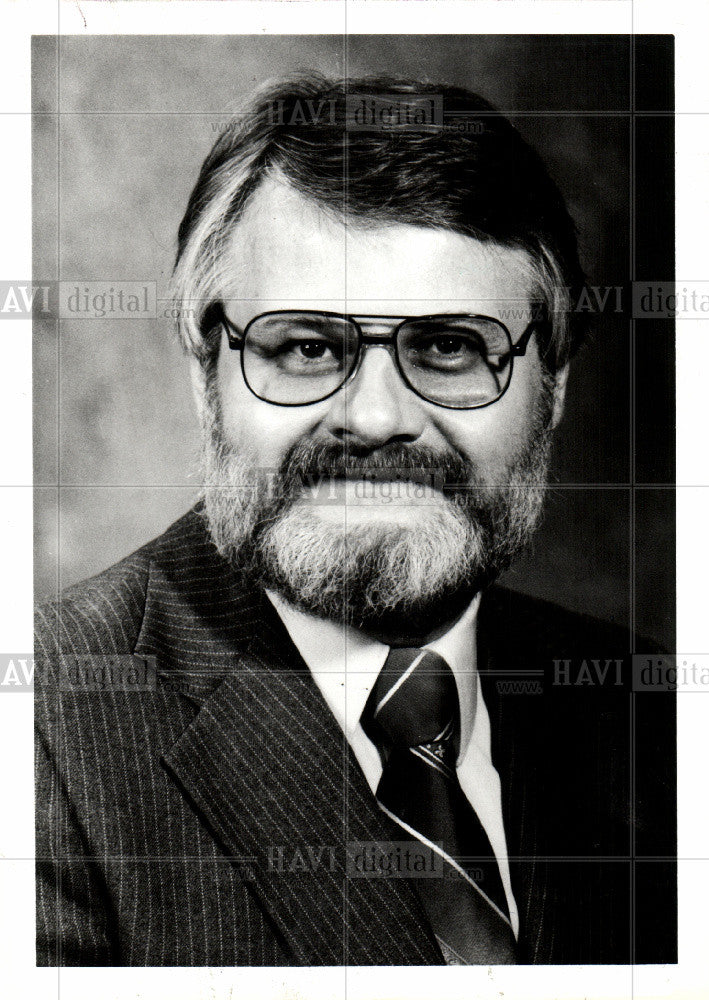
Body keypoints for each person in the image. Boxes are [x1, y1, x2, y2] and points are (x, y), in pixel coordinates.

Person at [35, 75, 675, 966]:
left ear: (555, 382)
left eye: (450, 346)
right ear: (204, 373)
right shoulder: (41, 736)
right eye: (306, 346)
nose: (374, 420)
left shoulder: (662, 719)